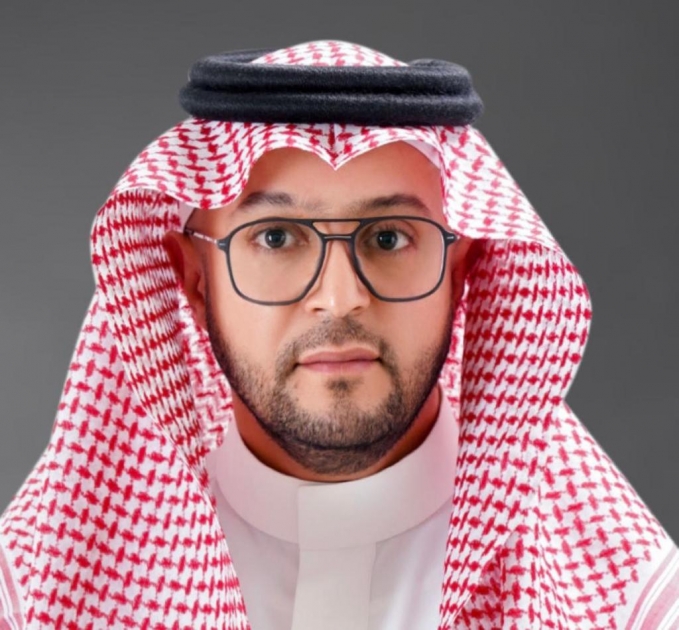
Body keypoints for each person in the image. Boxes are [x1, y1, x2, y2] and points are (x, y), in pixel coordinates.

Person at [0, 40, 677, 630]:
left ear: (460, 270)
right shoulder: (32, 598)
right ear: (194, 278)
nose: (339, 297)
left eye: (389, 238)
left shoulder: (628, 607)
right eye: (276, 238)